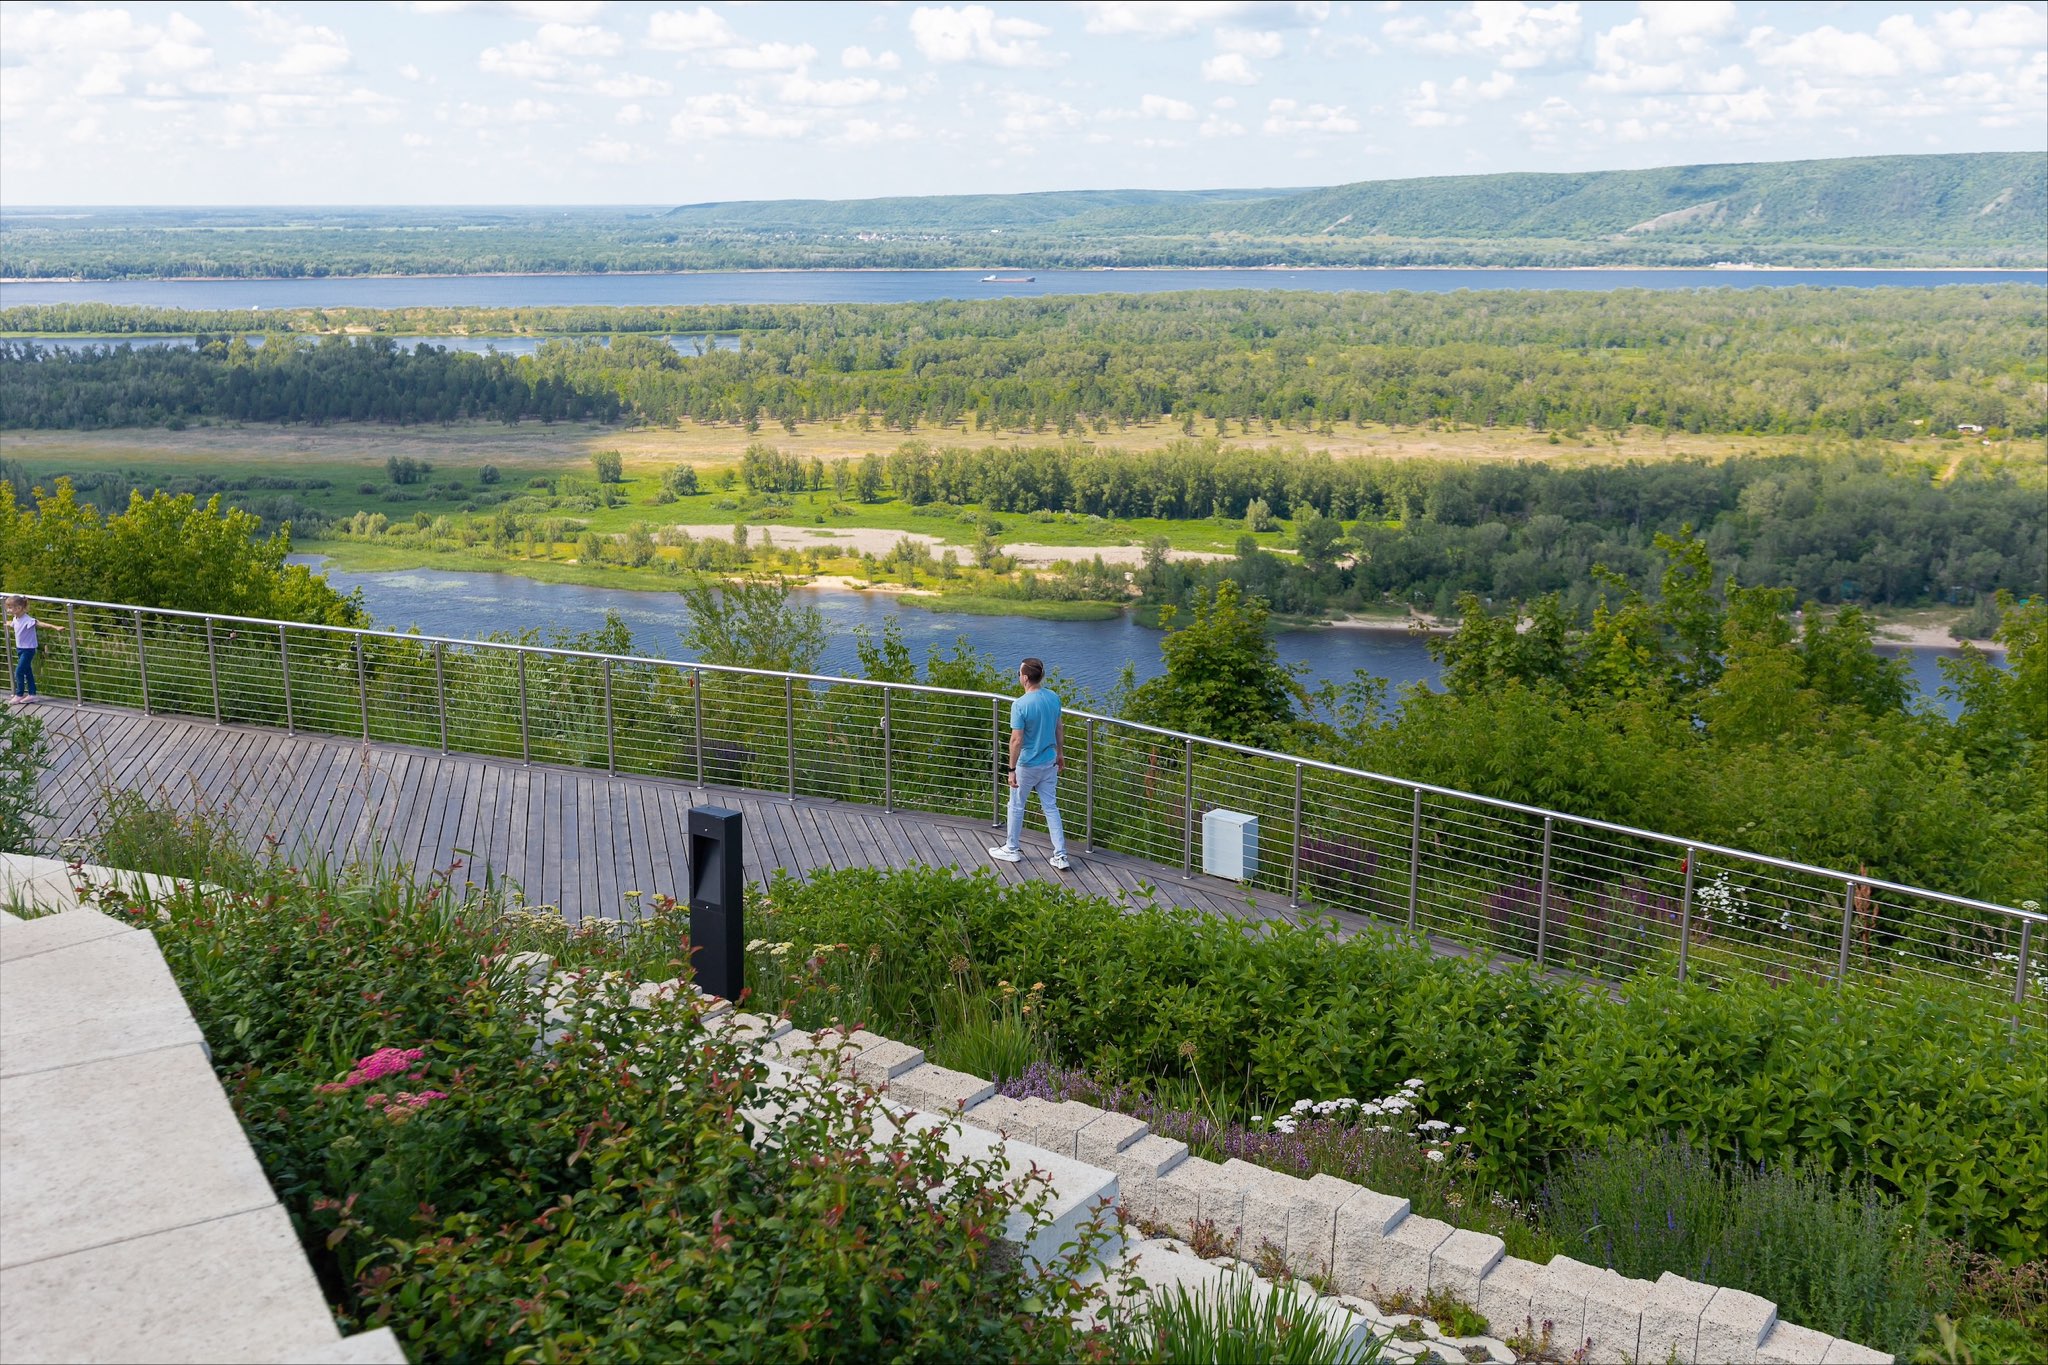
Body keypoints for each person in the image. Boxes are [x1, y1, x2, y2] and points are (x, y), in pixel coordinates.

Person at [989, 656, 1070, 871]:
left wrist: (1011, 769)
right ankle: (1060, 855)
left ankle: (1012, 848)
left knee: (1016, 805)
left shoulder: (1020, 705)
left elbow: (1016, 740)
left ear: (1025, 678)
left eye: (1018, 674)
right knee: (1051, 807)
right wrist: (1060, 754)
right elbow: (1059, 727)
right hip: (1049, 761)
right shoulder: (1053, 697)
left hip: (1027, 764)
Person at [7, 596, 63, 705]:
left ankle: (19, 694)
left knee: (19, 671)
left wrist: (55, 627)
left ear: (18, 608)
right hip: (20, 649)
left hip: (28, 650)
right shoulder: (16, 618)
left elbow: (40, 624)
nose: (8, 610)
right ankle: (32, 694)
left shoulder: (28, 620)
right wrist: (9, 624)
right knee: (27, 672)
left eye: (10, 608)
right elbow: (15, 624)